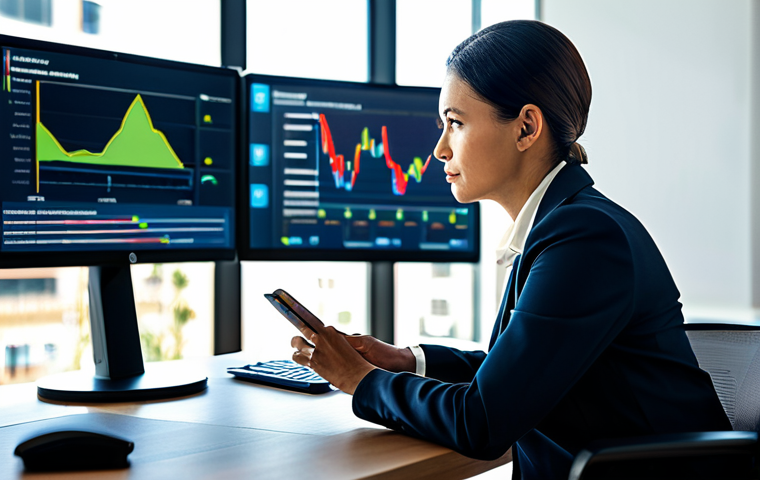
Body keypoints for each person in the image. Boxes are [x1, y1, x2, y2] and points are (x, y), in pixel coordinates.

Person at [291, 20, 731, 479]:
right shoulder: (563, 225)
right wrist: (409, 361)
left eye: (455, 124)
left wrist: (359, 381)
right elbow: (514, 376)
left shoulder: (586, 240)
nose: (440, 148)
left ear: (525, 127)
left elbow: (483, 421)